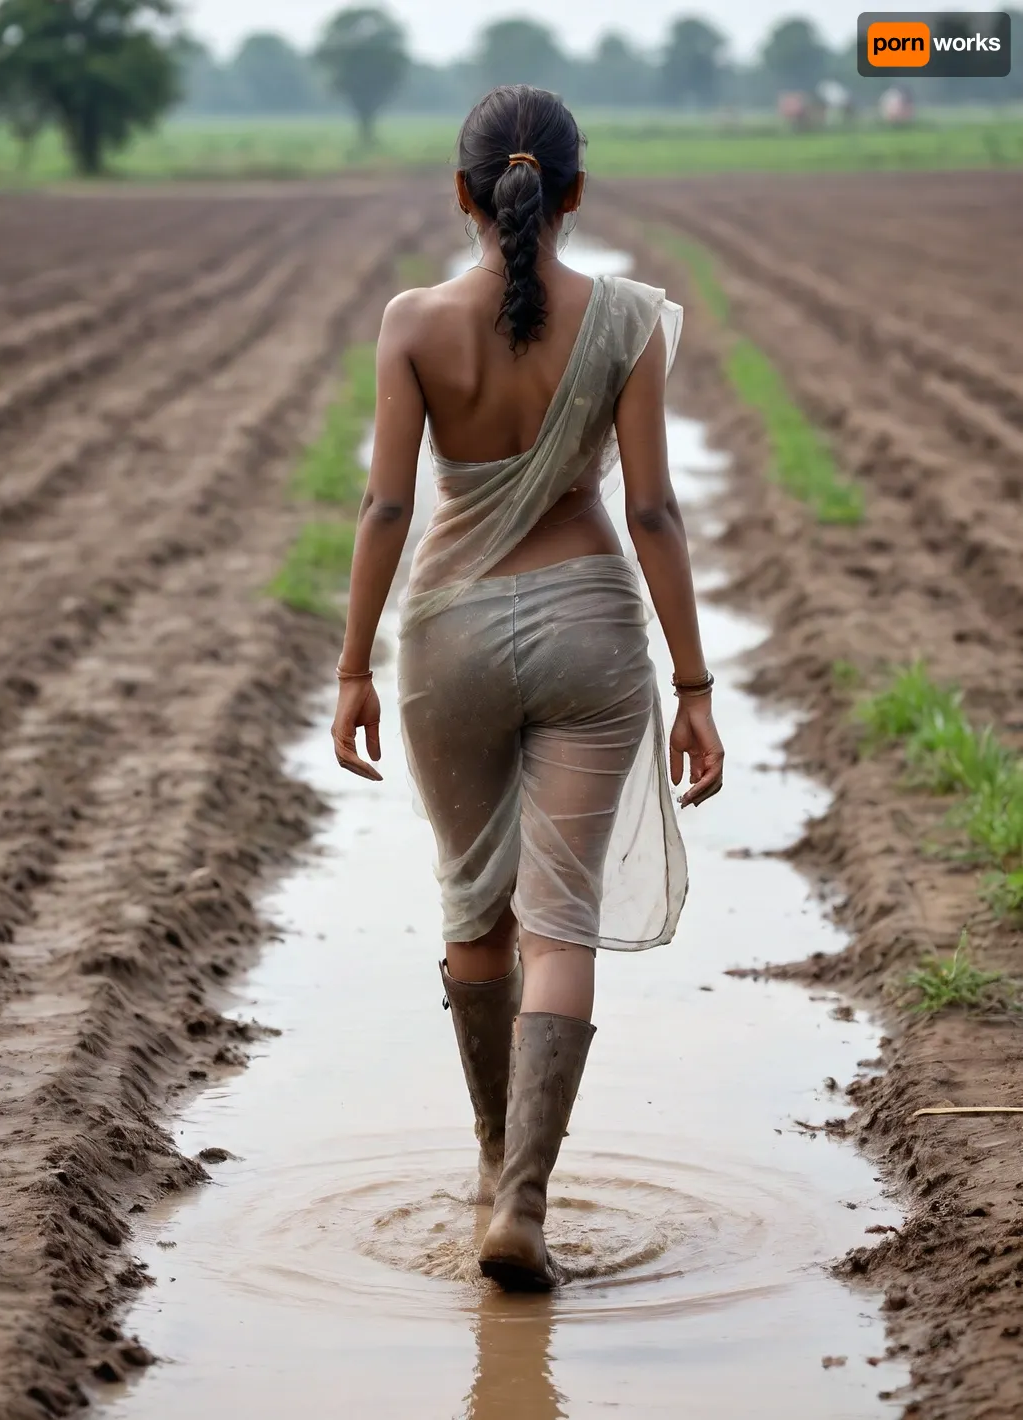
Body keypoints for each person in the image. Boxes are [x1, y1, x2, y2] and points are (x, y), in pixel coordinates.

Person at [331, 84, 724, 1292]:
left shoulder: (412, 324)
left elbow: (386, 506)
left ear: (463, 193)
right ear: (575, 192)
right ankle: (526, 1203)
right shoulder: (627, 322)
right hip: (591, 634)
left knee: (475, 913)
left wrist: (350, 666)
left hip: (445, 638)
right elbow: (652, 512)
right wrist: (696, 684)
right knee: (561, 923)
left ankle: (494, 1157)